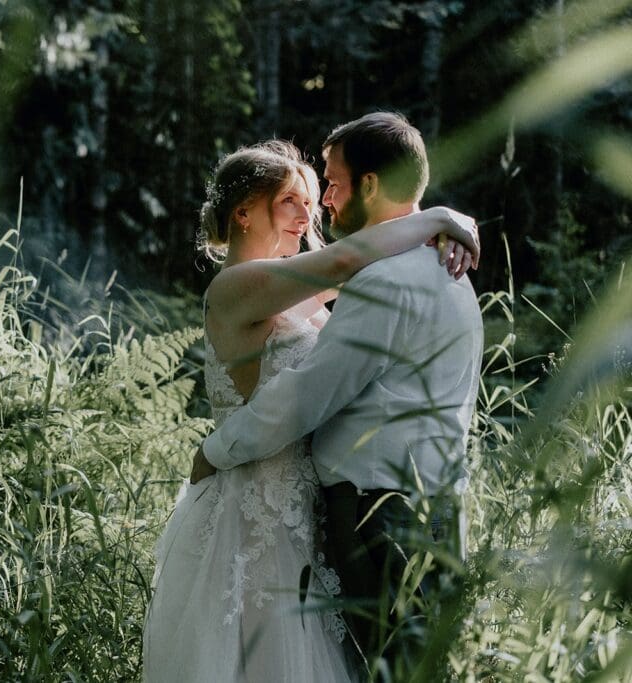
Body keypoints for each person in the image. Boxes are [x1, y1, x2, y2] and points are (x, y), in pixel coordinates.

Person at [142, 135, 479, 682]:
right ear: (244, 213)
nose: (310, 212)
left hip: (307, 509)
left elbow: (374, 261)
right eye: (290, 201)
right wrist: (440, 216)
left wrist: (445, 222)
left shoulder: (289, 288)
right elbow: (351, 256)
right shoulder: (235, 288)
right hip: (254, 505)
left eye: (311, 196)